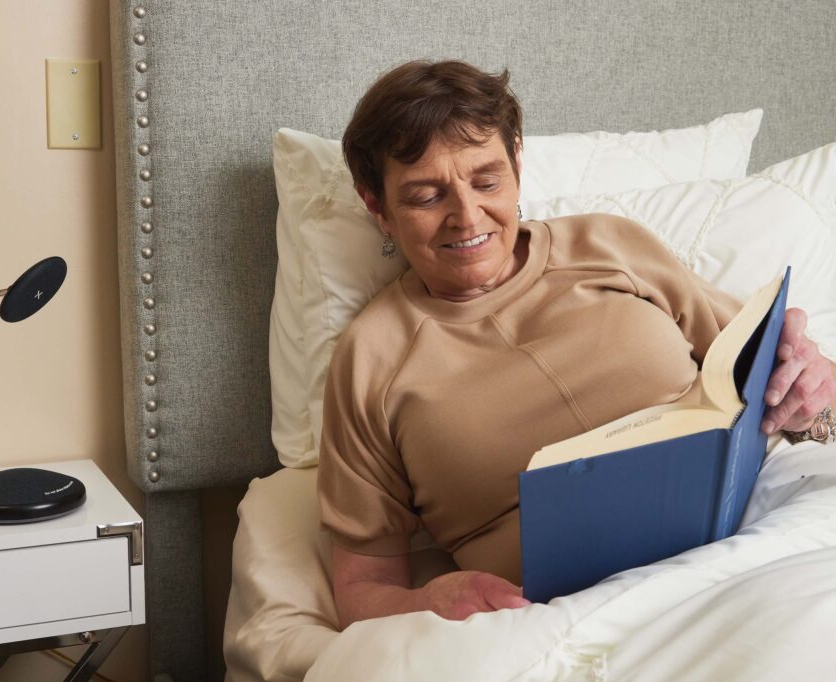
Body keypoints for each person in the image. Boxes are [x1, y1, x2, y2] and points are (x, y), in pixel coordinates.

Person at [316, 60, 836, 629]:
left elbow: (786, 379)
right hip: (554, 615)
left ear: (517, 162)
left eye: (487, 181)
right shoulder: (370, 358)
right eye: (424, 196)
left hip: (747, 543)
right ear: (376, 205)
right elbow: (363, 586)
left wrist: (814, 389)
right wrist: (432, 601)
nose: (467, 217)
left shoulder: (608, 243)